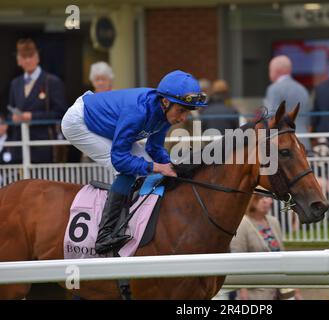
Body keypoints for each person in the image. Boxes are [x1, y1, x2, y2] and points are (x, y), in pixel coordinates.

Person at [61, 70, 208, 254]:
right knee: (128, 170)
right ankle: (105, 235)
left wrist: (172, 167)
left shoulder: (165, 112)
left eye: (187, 112)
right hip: (78, 122)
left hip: (103, 120)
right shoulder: (138, 111)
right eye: (181, 111)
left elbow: (154, 149)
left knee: (146, 166)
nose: (182, 118)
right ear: (165, 102)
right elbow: (120, 159)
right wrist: (156, 167)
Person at [230, 193, 302, 300]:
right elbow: (237, 258)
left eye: (268, 197)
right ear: (251, 200)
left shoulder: (273, 221)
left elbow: (282, 255)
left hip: (279, 288)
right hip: (255, 291)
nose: (266, 201)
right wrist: (242, 290)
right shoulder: (242, 223)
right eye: (261, 198)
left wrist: (295, 288)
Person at [8, 38, 67, 163]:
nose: (28, 60)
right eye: (24, 57)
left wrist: (32, 116)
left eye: (31, 56)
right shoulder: (15, 83)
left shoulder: (51, 81)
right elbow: (10, 109)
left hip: (43, 146)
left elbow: (61, 113)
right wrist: (13, 117)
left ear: (37, 58)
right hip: (20, 144)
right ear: (18, 60)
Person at [264, 55, 312, 151]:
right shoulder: (302, 89)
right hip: (304, 142)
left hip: (285, 146)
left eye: (270, 70)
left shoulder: (273, 89)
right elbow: (308, 119)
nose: (269, 74)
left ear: (277, 70)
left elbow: (271, 118)